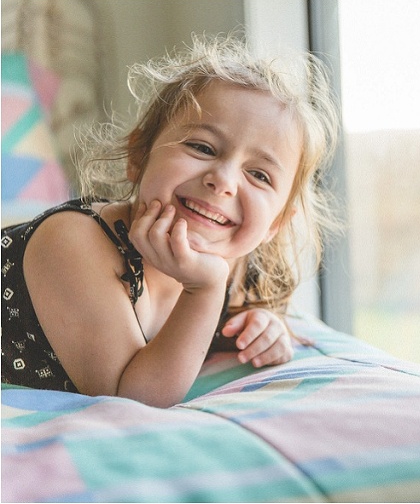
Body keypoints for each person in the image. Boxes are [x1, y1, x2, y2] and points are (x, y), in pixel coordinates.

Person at [1, 34, 340, 408]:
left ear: (275, 223)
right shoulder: (73, 242)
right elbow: (136, 399)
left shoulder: (232, 264)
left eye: (259, 175)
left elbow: (226, 325)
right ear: (138, 155)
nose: (223, 181)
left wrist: (264, 326)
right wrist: (204, 289)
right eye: (202, 147)